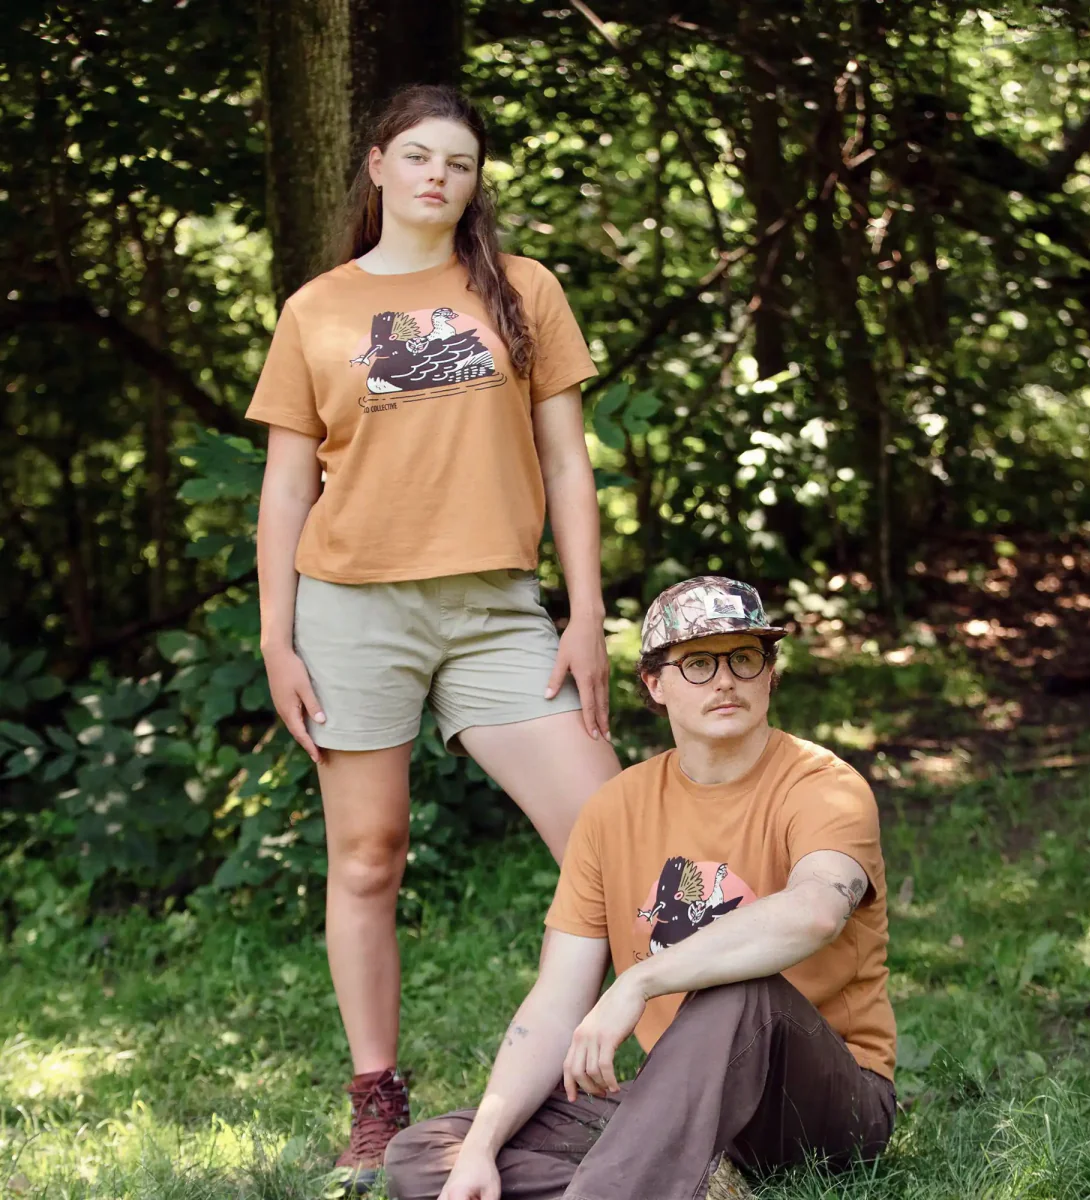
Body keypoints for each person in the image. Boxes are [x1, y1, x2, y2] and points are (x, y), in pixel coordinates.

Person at [246, 84, 621, 1186]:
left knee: (616, 840)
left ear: (474, 182)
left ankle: (673, 1061)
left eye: (458, 164)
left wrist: (587, 614)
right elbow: (281, 490)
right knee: (367, 857)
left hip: (499, 611)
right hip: (353, 611)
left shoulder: (522, 292)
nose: (435, 179)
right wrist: (278, 636)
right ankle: (376, 1096)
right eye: (416, 157)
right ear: (375, 166)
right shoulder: (317, 308)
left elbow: (566, 464)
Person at [385, 576, 897, 1200]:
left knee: (737, 992)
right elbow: (556, 999)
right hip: (681, 1103)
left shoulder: (823, 784)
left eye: (745, 657)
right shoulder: (615, 810)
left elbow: (816, 910)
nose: (726, 680)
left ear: (770, 675)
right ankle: (697, 1183)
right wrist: (485, 1144)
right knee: (428, 1156)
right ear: (655, 684)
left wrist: (642, 979)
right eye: (699, 664)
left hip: (822, 1110)